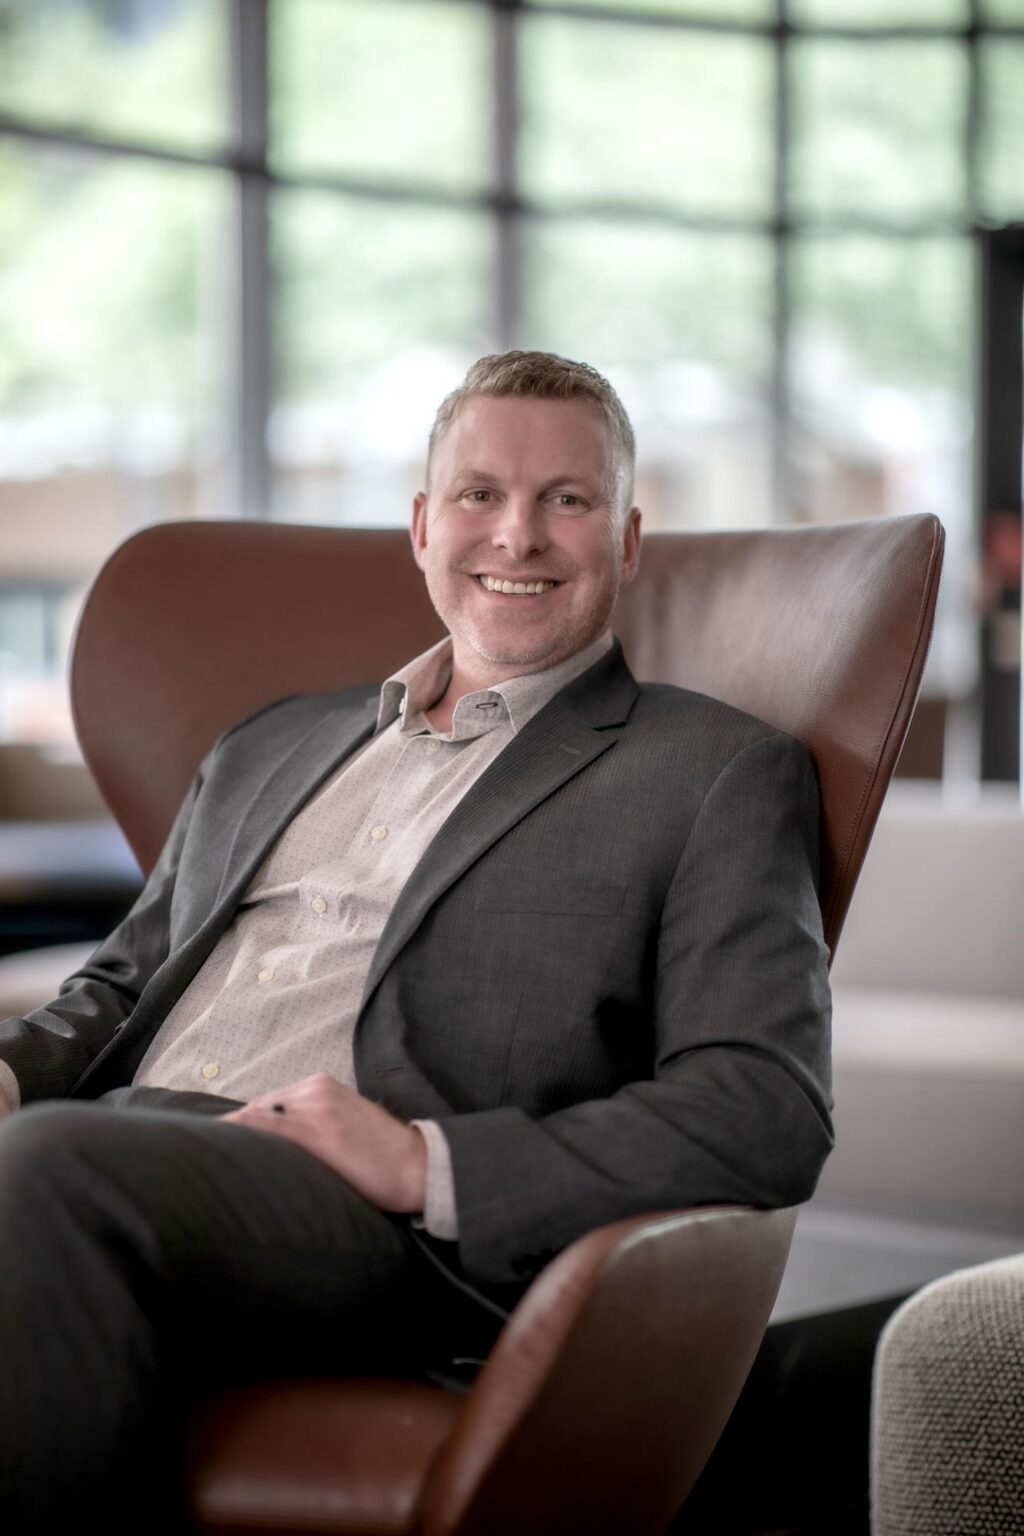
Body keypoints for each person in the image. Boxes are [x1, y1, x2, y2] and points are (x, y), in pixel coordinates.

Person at [0, 351, 833, 1531]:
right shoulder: (268, 744)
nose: (518, 535)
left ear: (629, 538)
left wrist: (425, 1167)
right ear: (422, 525)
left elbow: (764, 1106)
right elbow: (119, 984)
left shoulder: (712, 773)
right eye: (480, 495)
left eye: (568, 500)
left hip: (363, 1226)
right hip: (109, 1147)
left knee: (45, 1172)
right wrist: (11, 1072)